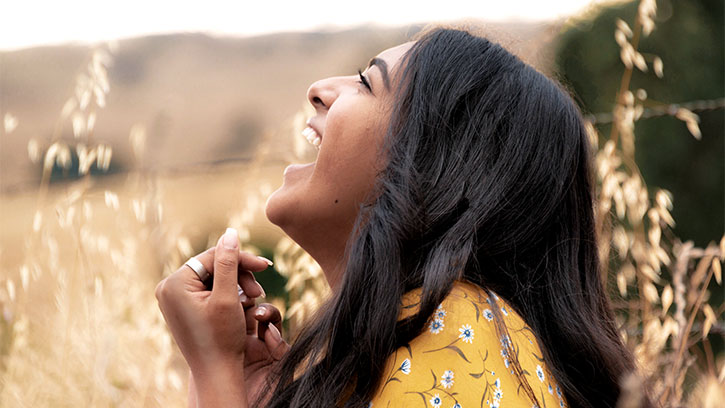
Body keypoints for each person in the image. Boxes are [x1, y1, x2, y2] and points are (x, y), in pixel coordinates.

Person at [155, 27, 649, 408]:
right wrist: (248, 387)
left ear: (431, 163)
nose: (320, 89)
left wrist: (213, 367)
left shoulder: (460, 335)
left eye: (367, 83)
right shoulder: (421, 338)